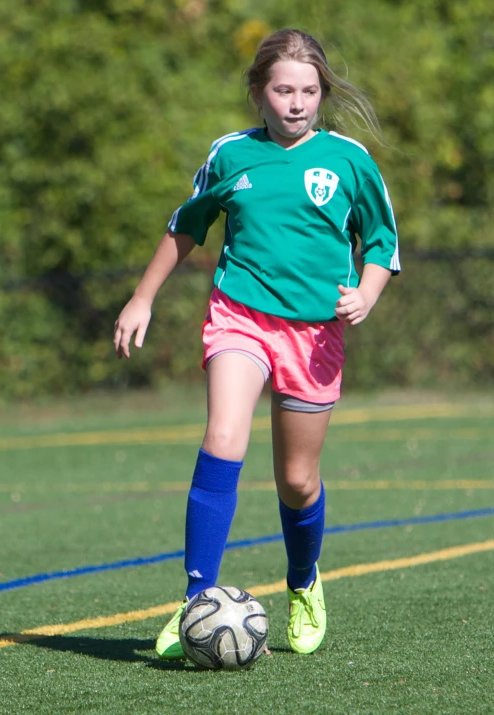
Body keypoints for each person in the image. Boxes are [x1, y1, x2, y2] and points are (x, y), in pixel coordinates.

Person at [114, 28, 400, 659]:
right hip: (238, 315)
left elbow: (383, 243)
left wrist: (368, 292)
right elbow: (185, 226)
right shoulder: (230, 156)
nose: (296, 102)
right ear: (258, 93)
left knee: (297, 481)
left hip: (313, 332)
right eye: (282, 90)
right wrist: (143, 297)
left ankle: (303, 582)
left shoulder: (349, 159)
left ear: (322, 93)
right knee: (222, 439)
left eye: (308, 91)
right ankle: (197, 601)